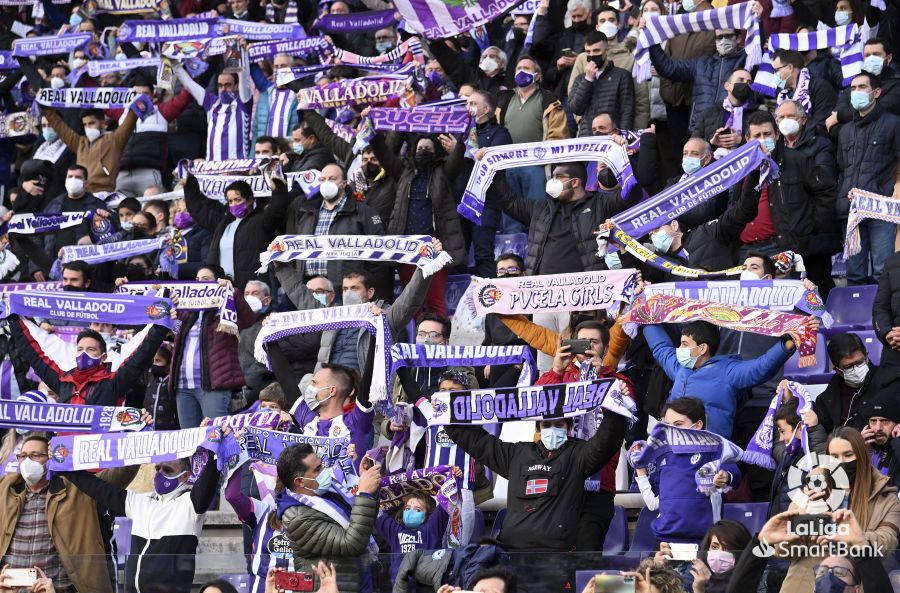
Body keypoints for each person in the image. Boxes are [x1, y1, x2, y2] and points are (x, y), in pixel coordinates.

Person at [442, 390, 629, 551]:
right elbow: (479, 443)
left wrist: (615, 408)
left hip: (558, 554)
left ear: (569, 428)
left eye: (559, 425)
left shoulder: (578, 454)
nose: (552, 430)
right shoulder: (517, 453)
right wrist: (446, 415)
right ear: (538, 428)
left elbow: (606, 442)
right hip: (512, 552)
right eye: (546, 426)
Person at [62, 450, 223, 593]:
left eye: (167, 469)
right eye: (157, 468)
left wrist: (216, 448)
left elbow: (208, 480)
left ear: (186, 475)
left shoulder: (190, 505)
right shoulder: (141, 501)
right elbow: (99, 489)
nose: (159, 473)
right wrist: (63, 463)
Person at [537, 321, 634, 551]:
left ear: (606, 347)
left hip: (597, 483)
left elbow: (627, 415)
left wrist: (599, 376)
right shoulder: (559, 375)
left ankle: (598, 587)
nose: (587, 347)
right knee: (555, 557)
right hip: (558, 479)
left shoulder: (618, 382)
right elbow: (536, 406)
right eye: (582, 341)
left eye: (594, 342)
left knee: (587, 554)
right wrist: (556, 371)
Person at [0, 433, 137, 593]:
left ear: (51, 458)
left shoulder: (78, 489)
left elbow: (122, 473)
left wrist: (138, 433)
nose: (27, 462)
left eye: (35, 455)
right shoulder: (6, 490)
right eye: (23, 456)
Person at [643, 319, 796, 438]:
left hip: (711, 451)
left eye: (684, 344)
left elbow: (761, 367)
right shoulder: (679, 368)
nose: (679, 349)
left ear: (702, 348)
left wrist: (788, 345)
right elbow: (660, 348)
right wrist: (645, 312)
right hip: (675, 446)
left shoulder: (728, 371)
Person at [369, 128, 466, 315]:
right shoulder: (402, 171)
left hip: (435, 247)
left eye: (428, 149)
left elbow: (456, 159)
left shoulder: (443, 172)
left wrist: (460, 141)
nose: (423, 151)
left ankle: (437, 341)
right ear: (413, 151)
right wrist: (372, 135)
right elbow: (383, 154)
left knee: (435, 301)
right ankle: (416, 343)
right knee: (412, 304)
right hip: (408, 248)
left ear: (436, 152)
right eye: (420, 148)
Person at [738, 111, 837, 291]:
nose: (762, 139)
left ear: (777, 135)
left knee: (784, 306)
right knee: (750, 307)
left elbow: (827, 192)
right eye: (757, 136)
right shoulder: (740, 168)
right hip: (748, 250)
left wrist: (808, 227)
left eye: (767, 134)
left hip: (782, 246)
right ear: (747, 139)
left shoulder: (798, 160)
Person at [633, 398, 741, 545]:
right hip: (666, 540)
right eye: (667, 425)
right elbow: (655, 502)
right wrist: (640, 469)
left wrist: (725, 476)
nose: (671, 431)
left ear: (697, 425)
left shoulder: (712, 447)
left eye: (678, 425)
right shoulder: (661, 454)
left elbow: (733, 472)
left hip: (704, 539)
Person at [277, 443, 382, 592]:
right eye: (317, 469)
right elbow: (351, 543)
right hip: (333, 587)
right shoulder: (297, 518)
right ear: (299, 481)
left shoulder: (327, 490)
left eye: (321, 465)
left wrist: (369, 488)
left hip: (357, 579)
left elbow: (364, 522)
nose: (324, 471)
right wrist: (364, 494)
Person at [283, 163, 391, 302]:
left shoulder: (363, 213)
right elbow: (295, 250)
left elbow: (379, 258)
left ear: (344, 183)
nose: (326, 183)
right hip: (309, 291)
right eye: (322, 180)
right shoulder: (306, 213)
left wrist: (375, 297)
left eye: (332, 178)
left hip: (345, 292)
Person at [11, 319, 169, 406]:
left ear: (103, 357)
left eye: (91, 349)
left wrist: (161, 320)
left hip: (96, 458)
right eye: (80, 349)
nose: (84, 353)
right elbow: (35, 351)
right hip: (65, 455)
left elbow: (142, 350)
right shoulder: (63, 381)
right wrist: (13, 319)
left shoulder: (113, 382)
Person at [169, 268, 256, 427]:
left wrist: (232, 292)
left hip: (213, 387)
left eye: (206, 278)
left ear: (218, 281)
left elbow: (248, 319)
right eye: (197, 279)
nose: (200, 282)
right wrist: (171, 307)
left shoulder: (226, 308)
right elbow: (171, 330)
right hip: (183, 386)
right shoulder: (186, 310)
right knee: (189, 443)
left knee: (215, 439)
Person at [838, 72, 900, 285]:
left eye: (861, 87)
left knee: (884, 269)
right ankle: (857, 318)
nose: (856, 92)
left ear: (877, 92)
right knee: (854, 272)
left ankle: (888, 317)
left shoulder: (893, 123)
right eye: (853, 88)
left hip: (881, 208)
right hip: (853, 209)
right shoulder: (845, 130)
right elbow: (842, 168)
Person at [495, 55, 568, 233]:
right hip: (508, 165)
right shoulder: (505, 99)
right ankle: (513, 255)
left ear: (537, 75)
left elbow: (558, 134)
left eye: (526, 68)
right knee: (510, 216)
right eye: (518, 68)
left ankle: (538, 254)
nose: (521, 71)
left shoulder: (549, 100)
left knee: (537, 213)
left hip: (535, 166)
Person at [182, 175, 292, 290]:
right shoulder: (223, 223)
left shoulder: (261, 220)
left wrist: (278, 186)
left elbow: (277, 209)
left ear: (249, 200)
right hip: (221, 288)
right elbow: (197, 209)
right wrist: (189, 183)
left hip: (252, 288)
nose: (234, 204)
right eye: (230, 201)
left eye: (237, 200)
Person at [825, 426, 900, 552]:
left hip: (856, 569)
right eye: (834, 457)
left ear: (862, 455)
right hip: (811, 570)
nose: (841, 462)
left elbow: (887, 540)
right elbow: (784, 549)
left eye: (848, 455)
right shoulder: (811, 489)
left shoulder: (888, 500)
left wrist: (857, 538)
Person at [175, 55, 253, 161]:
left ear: (236, 86)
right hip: (213, 169)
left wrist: (243, 52)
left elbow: (245, 79)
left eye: (228, 85)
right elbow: (189, 84)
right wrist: (174, 64)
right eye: (220, 85)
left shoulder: (243, 103)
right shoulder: (211, 102)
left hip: (238, 167)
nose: (223, 89)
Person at [568, 31, 635, 136]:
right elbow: (576, 109)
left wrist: (623, 136)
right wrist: (588, 80)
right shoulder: (581, 79)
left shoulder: (622, 76)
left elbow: (627, 111)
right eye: (588, 52)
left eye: (596, 51)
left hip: (613, 138)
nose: (592, 55)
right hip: (587, 137)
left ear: (607, 51)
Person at [813, 333, 881, 432]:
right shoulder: (826, 400)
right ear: (837, 370)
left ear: (866, 356)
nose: (856, 369)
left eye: (859, 362)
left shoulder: (886, 382)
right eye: (849, 366)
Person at [769, 49, 838, 133]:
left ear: (790, 68)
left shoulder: (819, 87)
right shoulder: (783, 95)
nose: (774, 75)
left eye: (776, 70)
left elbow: (821, 124)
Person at [681, 520, 751, 593]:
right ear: (708, 547)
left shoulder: (753, 573)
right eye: (714, 547)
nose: (719, 554)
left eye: (728, 549)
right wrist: (698, 588)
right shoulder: (697, 568)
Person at [860, 388, 900, 490]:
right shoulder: (865, 448)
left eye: (885, 421)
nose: (878, 428)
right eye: (873, 421)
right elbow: (843, 482)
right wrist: (859, 449)